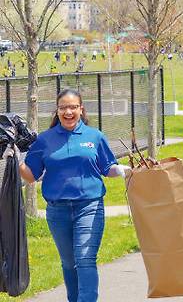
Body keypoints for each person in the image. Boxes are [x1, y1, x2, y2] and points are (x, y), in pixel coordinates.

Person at [19, 89, 131, 302]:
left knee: (85, 259)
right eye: (63, 107)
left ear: (81, 109)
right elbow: (31, 176)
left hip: (89, 207)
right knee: (69, 263)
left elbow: (108, 168)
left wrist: (123, 170)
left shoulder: (94, 136)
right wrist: (15, 158)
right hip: (57, 210)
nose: (68, 112)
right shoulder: (45, 140)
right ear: (57, 111)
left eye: (73, 107)